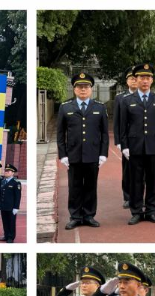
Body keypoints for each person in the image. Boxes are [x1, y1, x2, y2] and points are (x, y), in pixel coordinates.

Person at [58, 73, 109, 230]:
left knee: (91, 187)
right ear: (74, 89)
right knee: (74, 187)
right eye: (79, 87)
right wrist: (63, 155)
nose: (83, 89)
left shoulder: (99, 107)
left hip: (93, 154)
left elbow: (104, 133)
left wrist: (103, 153)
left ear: (91, 89)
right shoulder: (65, 107)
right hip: (73, 154)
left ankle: (89, 215)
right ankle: (75, 216)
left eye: (86, 86)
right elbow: (60, 134)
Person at [120, 63, 155, 225]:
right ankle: (137, 211)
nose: (145, 81)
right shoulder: (127, 100)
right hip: (135, 146)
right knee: (136, 180)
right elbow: (123, 126)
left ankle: (152, 210)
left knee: (153, 179)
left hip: (153, 145)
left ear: (152, 80)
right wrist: (124, 146)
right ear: (136, 79)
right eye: (142, 77)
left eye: (148, 77)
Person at [113, 67, 138, 209]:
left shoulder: (145, 96)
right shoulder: (120, 98)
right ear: (127, 81)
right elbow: (117, 121)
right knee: (127, 170)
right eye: (131, 78)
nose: (134, 81)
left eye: (135, 78)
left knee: (142, 171)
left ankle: (140, 196)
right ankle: (128, 197)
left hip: (141, 139)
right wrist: (118, 141)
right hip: (127, 140)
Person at [0, 164, 21, 243]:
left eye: (8, 171)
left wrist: (16, 207)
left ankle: (11, 237)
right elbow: (0, 194)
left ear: (13, 173)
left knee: (11, 223)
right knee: (5, 222)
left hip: (11, 207)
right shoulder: (3, 181)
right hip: (3, 206)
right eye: (6, 171)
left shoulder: (16, 183)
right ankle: (6, 235)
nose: (6, 172)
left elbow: (18, 196)